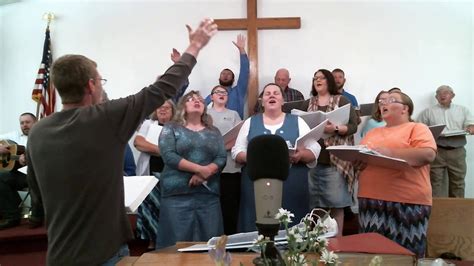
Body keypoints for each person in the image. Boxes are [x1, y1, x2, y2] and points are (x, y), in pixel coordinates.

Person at [26, 18, 217, 265]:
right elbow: (163, 88)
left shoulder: (38, 131)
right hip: (104, 253)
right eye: (100, 80)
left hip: (59, 254)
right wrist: (195, 46)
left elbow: (36, 197)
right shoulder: (105, 118)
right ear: (91, 85)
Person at [232, 83, 321, 232]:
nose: (271, 95)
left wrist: (301, 155)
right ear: (262, 100)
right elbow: (237, 151)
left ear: (283, 100)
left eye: (276, 93)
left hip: (292, 186)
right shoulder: (250, 122)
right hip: (255, 188)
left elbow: (314, 148)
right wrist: (254, 157)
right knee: (256, 228)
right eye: (267, 93)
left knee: (292, 229)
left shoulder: (298, 121)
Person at [358, 91, 437, 257]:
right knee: (372, 255)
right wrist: (357, 161)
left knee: (407, 255)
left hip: (408, 200)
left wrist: (389, 152)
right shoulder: (372, 133)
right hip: (371, 198)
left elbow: (427, 155)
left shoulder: (417, 128)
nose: (383, 104)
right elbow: (363, 161)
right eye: (381, 101)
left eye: (391, 100)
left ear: (405, 109)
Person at [156, 90, 227, 249]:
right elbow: (169, 155)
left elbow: (221, 157)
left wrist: (205, 174)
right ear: (182, 106)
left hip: (208, 196)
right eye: (191, 99)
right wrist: (201, 170)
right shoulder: (171, 127)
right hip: (177, 195)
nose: (196, 101)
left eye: (200, 100)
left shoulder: (214, 131)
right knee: (175, 246)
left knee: (210, 245)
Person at [307, 69, 358, 236]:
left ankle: (337, 243)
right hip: (313, 160)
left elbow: (353, 125)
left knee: (336, 204)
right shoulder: (308, 103)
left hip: (335, 160)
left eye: (321, 77)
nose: (318, 80)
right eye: (315, 78)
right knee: (316, 205)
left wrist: (335, 127)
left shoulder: (341, 100)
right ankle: (316, 241)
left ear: (329, 80)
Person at [417, 85, 474, 198]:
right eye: (439, 93)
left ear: (452, 95)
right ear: (436, 97)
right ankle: (437, 212)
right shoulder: (428, 112)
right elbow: (419, 129)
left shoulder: (463, 110)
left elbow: (470, 124)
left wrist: (471, 127)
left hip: (457, 152)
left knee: (458, 183)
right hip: (437, 152)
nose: (442, 95)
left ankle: (457, 212)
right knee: (435, 183)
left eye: (446, 92)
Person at [133, 99, 176, 250]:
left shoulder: (178, 127)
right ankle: (150, 244)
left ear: (173, 111)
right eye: (159, 107)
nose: (162, 110)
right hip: (150, 174)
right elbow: (139, 143)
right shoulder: (148, 124)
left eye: (167, 108)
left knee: (169, 210)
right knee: (149, 210)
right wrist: (166, 152)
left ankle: (168, 242)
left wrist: (153, 149)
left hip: (172, 175)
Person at [207, 85, 242, 235]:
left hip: (230, 168)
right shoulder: (204, 114)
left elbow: (239, 138)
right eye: (218, 92)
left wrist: (219, 148)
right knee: (211, 206)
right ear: (211, 96)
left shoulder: (234, 114)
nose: (221, 94)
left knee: (230, 206)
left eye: (224, 93)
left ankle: (230, 239)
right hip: (208, 168)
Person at [0, 113, 39, 230]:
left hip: (36, 176)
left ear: (36, 122)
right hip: (19, 175)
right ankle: (12, 214)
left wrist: (29, 158)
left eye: (27, 122)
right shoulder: (15, 135)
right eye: (22, 123)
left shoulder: (41, 136)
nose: (24, 125)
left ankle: (16, 215)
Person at [204, 34, 249, 119]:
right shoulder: (213, 94)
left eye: (228, 74)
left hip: (234, 129)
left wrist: (242, 50)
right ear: (219, 78)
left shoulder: (238, 91)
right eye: (223, 74)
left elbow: (245, 71)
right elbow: (201, 110)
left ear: (233, 79)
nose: (225, 76)